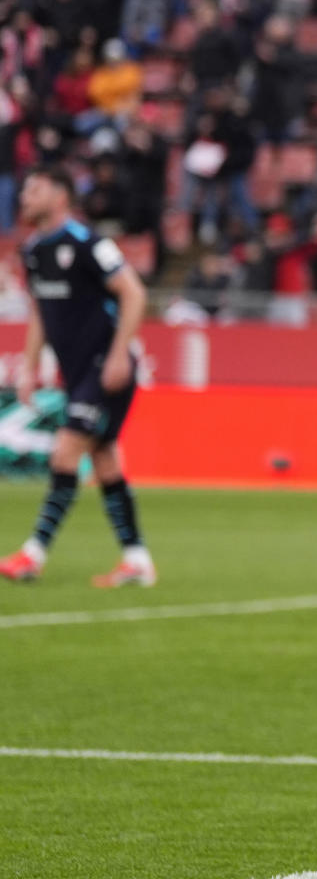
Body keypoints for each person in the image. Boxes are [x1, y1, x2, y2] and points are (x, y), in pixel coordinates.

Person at [1, 166, 155, 587]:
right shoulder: (33, 252)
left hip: (105, 367)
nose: (26, 196)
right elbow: (39, 313)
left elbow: (134, 292)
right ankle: (137, 560)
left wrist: (120, 353)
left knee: (66, 452)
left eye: (36, 189)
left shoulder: (88, 243)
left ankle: (33, 554)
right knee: (105, 461)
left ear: (61, 196)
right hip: (77, 372)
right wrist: (29, 368)